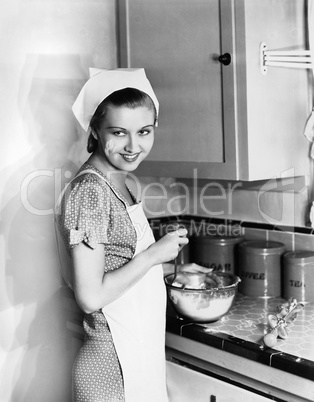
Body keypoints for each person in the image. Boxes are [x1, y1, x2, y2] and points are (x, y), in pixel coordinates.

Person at [54, 68, 210, 402]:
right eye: (118, 132)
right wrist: (155, 255)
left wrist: (163, 267)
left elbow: (115, 261)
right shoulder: (90, 193)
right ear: (95, 128)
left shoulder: (120, 180)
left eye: (144, 131)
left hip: (139, 358)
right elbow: (90, 297)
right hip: (111, 368)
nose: (133, 146)